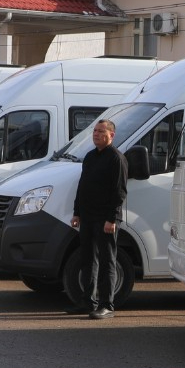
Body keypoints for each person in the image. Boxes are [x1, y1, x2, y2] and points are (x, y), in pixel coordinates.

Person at [68, 119, 128, 319]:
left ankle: (106, 305)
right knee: (87, 260)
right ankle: (88, 302)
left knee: (107, 261)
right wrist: (77, 213)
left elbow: (119, 192)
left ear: (111, 135)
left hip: (105, 219)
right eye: (95, 131)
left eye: (101, 131)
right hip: (87, 217)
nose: (96, 134)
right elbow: (82, 186)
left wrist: (112, 219)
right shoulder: (90, 157)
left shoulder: (116, 158)